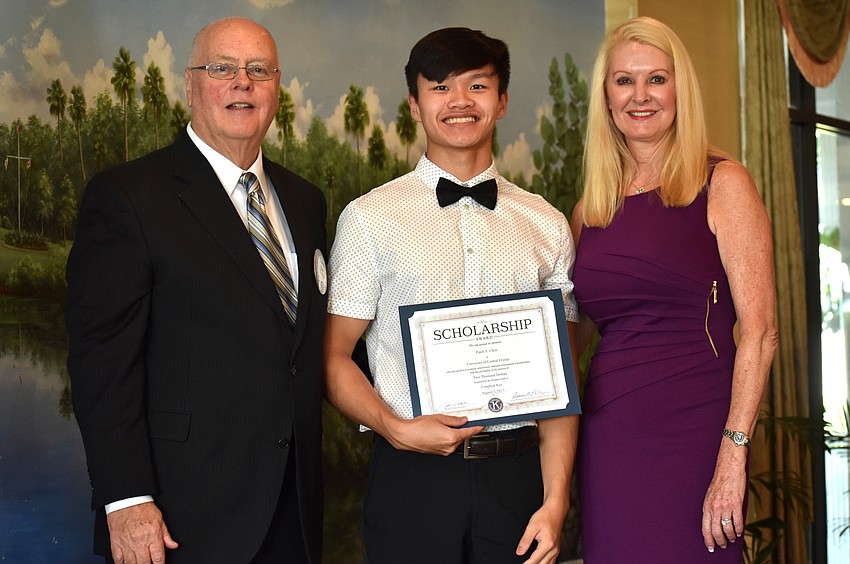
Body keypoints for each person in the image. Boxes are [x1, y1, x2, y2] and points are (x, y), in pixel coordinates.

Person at [66, 17, 327, 563]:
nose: (242, 82)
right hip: (179, 518)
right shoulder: (128, 196)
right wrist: (126, 499)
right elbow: (101, 366)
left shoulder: (305, 202)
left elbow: (304, 349)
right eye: (222, 68)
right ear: (190, 86)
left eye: (259, 70)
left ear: (277, 88)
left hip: (293, 513)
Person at [323, 27, 580, 564]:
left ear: (502, 100)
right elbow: (334, 358)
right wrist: (395, 429)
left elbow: (561, 381)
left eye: (478, 86)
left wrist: (555, 501)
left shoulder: (547, 225)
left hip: (518, 481)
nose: (460, 101)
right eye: (441, 87)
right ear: (415, 105)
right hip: (410, 477)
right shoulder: (370, 219)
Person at [571, 16, 778, 562]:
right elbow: (574, 336)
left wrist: (734, 454)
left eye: (656, 79)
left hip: (698, 431)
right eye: (623, 81)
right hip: (611, 435)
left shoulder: (724, 183)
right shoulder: (588, 209)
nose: (640, 96)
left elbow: (760, 332)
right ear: (606, 97)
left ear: (680, 90)